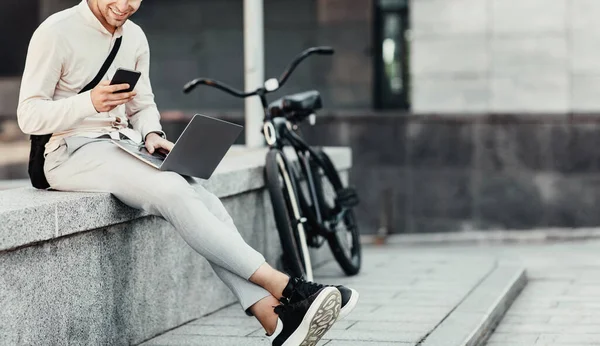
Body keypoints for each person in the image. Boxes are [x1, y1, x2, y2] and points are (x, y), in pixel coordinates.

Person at [17, 0, 359, 345]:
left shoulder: (133, 36)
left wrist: (152, 134)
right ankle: (287, 286)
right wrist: (89, 103)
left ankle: (275, 320)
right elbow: (28, 115)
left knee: (206, 201)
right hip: (67, 152)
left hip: (122, 145)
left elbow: (142, 103)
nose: (124, 6)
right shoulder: (55, 32)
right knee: (172, 190)